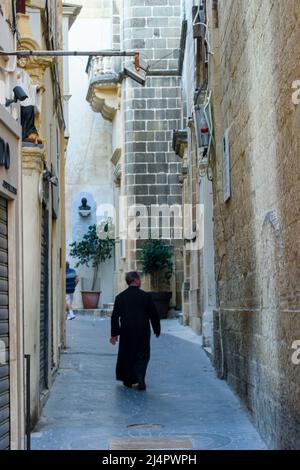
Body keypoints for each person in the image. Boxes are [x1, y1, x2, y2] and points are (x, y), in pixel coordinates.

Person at [110, 271, 161, 391]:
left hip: (126, 331)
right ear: (136, 280)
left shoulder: (120, 297)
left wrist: (114, 334)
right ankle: (140, 378)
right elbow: (154, 315)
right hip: (142, 330)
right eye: (140, 279)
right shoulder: (146, 296)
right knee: (143, 354)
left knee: (127, 354)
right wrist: (156, 329)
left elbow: (115, 317)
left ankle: (128, 380)